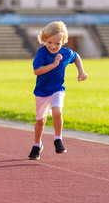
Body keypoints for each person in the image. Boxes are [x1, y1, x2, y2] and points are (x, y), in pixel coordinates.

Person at [28, 21, 88, 160]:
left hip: (57, 89)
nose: (53, 46)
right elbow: (37, 71)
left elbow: (76, 56)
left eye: (57, 43)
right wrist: (55, 64)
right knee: (40, 121)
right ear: (44, 39)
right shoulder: (41, 53)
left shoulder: (66, 53)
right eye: (49, 42)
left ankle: (58, 139)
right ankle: (37, 145)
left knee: (57, 111)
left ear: (63, 42)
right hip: (42, 91)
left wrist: (81, 72)